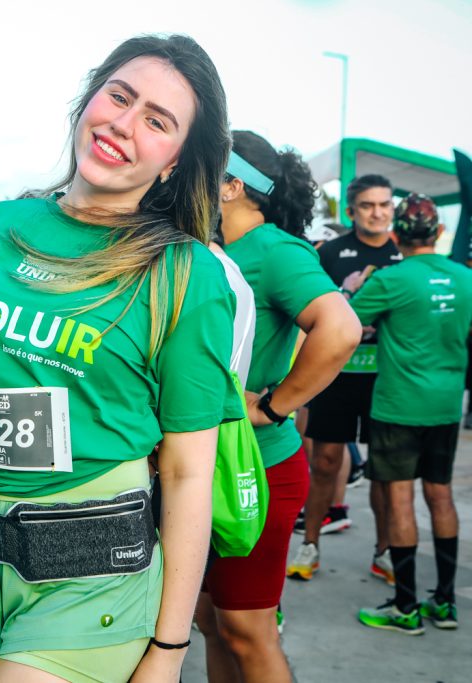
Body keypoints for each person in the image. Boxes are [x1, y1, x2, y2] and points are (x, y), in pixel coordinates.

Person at [0, 35, 242, 683]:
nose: (124, 125)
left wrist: (169, 649)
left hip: (90, 571)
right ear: (88, 101)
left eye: (157, 121)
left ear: (176, 160)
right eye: (120, 96)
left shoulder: (186, 275)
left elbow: (190, 473)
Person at [195, 130, 361, 683]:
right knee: (211, 623)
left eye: (202, 170)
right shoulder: (213, 252)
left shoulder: (274, 249)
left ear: (232, 186)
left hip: (257, 467)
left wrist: (272, 406)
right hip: (200, 468)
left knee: (248, 629)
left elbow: (340, 329)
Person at [350, 193, 466, 634]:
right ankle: (446, 603)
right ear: (438, 234)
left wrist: (357, 290)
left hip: (399, 405)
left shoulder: (390, 279)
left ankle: (405, 607)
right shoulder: (466, 279)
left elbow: (348, 324)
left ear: (396, 236)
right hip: (446, 405)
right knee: (440, 495)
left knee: (400, 498)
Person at [289, 174, 401, 583]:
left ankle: (385, 552)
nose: (378, 212)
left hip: (386, 380)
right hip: (335, 375)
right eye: (369, 205)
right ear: (352, 211)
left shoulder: (402, 255)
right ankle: (310, 545)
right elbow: (307, 308)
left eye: (385, 204)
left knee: (383, 473)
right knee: (326, 463)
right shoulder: (331, 252)